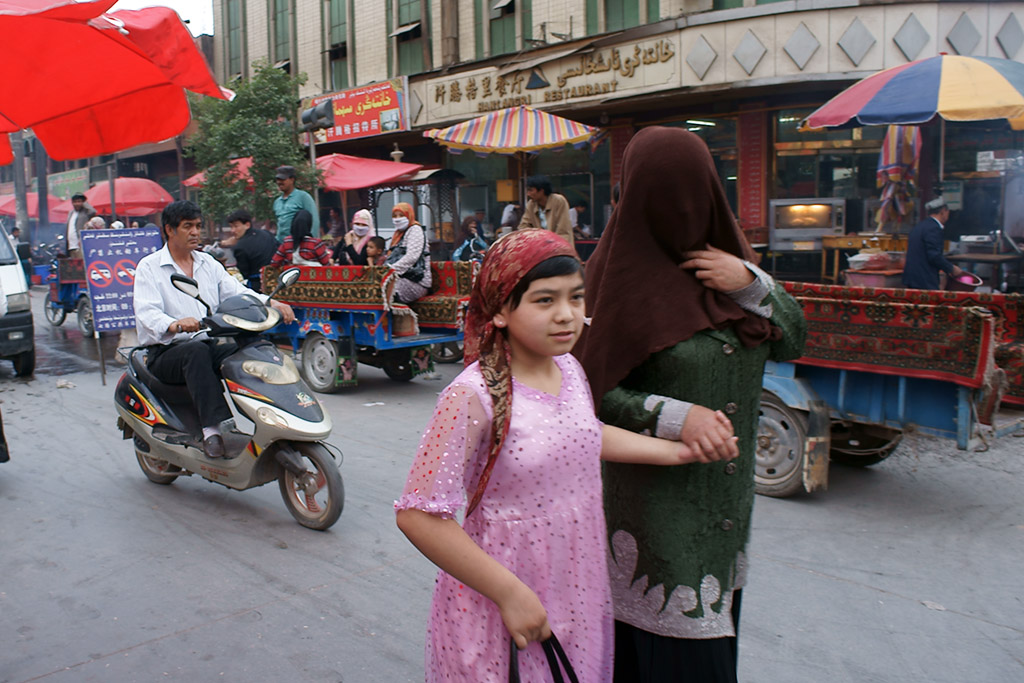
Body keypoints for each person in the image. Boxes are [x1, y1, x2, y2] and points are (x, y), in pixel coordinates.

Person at [395, 229, 727, 682]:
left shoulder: (569, 369)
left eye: (576, 297)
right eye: (545, 301)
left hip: (578, 582)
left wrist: (675, 453)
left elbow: (583, 436)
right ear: (499, 310)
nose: (567, 315)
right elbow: (418, 515)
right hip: (504, 594)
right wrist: (509, 593)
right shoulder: (472, 397)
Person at [575, 127, 807, 683]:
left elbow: (795, 338)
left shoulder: (733, 271)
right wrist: (676, 416)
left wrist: (750, 282)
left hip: (725, 520)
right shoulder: (616, 282)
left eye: (692, 187)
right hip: (654, 526)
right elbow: (587, 395)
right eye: (665, 190)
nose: (682, 205)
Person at [133, 200, 295, 459]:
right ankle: (212, 430)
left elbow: (237, 291)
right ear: (169, 230)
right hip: (166, 353)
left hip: (206, 342)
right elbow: (147, 313)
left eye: (197, 226)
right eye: (188, 227)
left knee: (251, 346)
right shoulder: (149, 267)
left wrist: (271, 302)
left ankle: (278, 411)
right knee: (195, 351)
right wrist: (174, 324)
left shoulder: (208, 263)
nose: (195, 232)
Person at [903, 197, 963, 290]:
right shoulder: (933, 228)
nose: (948, 215)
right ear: (943, 211)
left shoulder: (920, 226)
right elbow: (934, 255)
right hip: (924, 279)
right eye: (948, 212)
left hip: (913, 278)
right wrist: (951, 268)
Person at [385, 202, 431, 303]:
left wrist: (390, 270)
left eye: (401, 215)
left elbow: (412, 257)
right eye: (395, 216)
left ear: (409, 215)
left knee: (385, 290)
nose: (397, 218)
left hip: (416, 281)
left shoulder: (415, 230)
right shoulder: (398, 234)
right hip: (401, 277)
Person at [227, 208, 279, 291]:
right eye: (231, 227)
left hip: (258, 286)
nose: (232, 230)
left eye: (236, 226)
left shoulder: (240, 247)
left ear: (247, 225)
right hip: (277, 282)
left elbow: (245, 274)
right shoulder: (267, 234)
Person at [517, 176, 574, 246]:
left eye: (531, 190)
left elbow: (563, 230)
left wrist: (553, 246)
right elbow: (523, 226)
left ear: (541, 191)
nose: (528, 194)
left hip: (560, 247)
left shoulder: (559, 201)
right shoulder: (531, 204)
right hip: (540, 248)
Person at [272, 165, 319, 241]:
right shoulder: (277, 202)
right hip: (282, 245)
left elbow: (314, 221)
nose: (279, 182)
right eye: (277, 180)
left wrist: (311, 242)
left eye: (282, 179)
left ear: (292, 179)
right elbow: (279, 225)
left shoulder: (303, 197)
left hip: (300, 244)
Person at [65, 193, 96, 257]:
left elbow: (93, 211)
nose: (77, 204)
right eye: (75, 202)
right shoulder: (71, 213)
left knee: (82, 264)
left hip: (81, 245)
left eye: (79, 202)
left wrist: (85, 203)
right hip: (71, 246)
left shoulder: (85, 212)